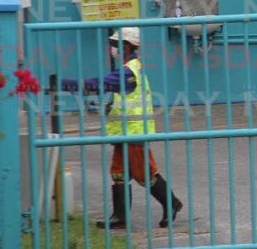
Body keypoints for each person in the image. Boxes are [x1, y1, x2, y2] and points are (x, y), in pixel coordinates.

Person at [62, 27, 183, 229]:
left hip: (134, 133)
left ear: (126, 46)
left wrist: (65, 84)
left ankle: (172, 203)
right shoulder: (131, 68)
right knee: (118, 173)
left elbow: (97, 84)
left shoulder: (128, 72)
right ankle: (120, 217)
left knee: (144, 174)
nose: (112, 48)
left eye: (115, 45)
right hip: (124, 133)